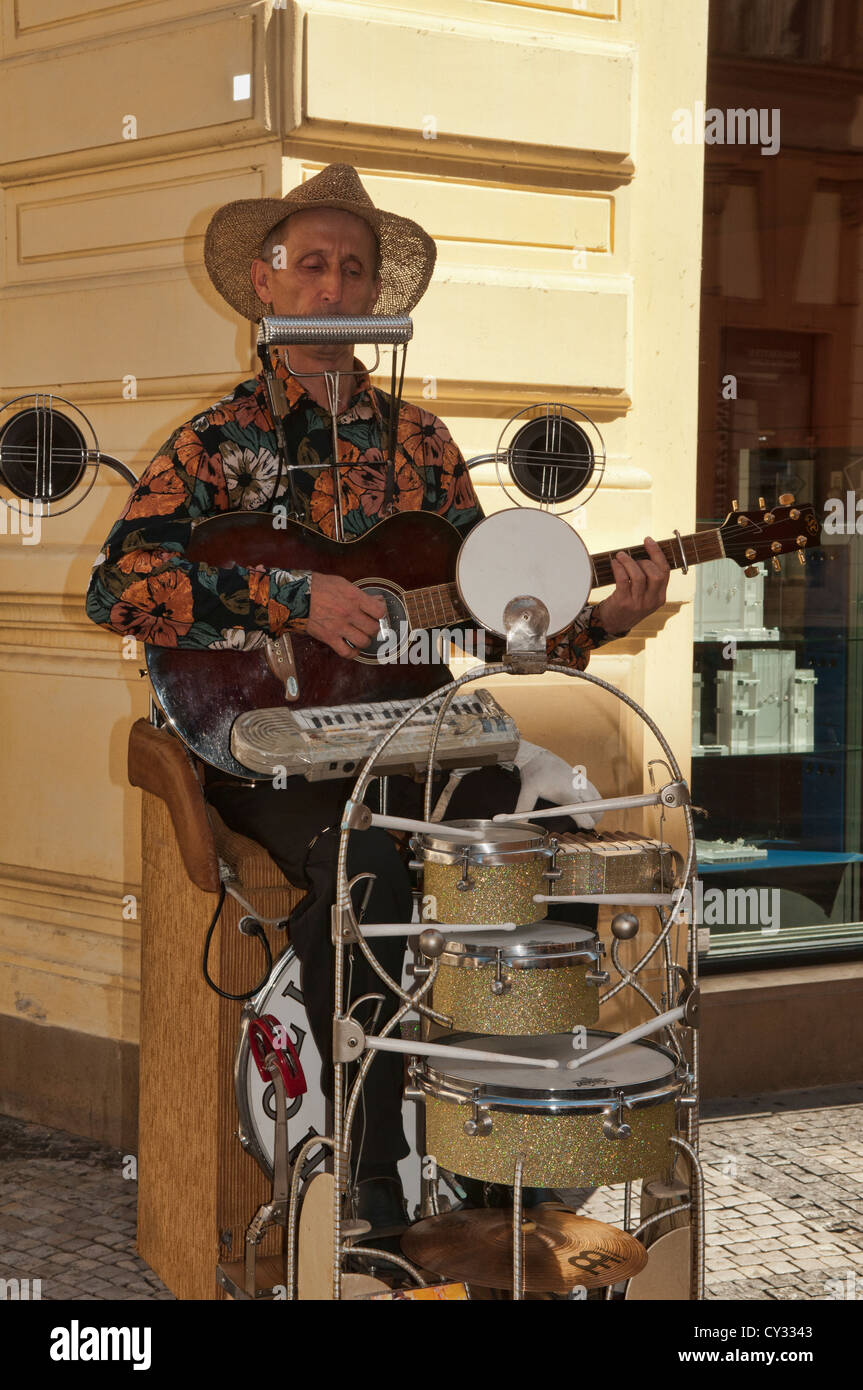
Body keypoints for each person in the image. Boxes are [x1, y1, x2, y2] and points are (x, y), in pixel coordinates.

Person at [86, 163, 670, 1234]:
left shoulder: (424, 445)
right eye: (309, 264)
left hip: (420, 739)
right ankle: (367, 1167)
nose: (331, 284)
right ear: (264, 287)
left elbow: (496, 620)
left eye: (351, 268)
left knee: (538, 847)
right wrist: (291, 597)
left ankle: (505, 1140)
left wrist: (598, 618)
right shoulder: (211, 445)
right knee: (363, 869)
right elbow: (117, 589)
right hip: (265, 745)